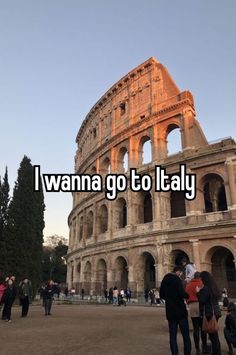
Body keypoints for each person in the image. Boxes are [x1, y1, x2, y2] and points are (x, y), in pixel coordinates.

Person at [160, 266, 191, 355]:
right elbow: (182, 293)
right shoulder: (177, 280)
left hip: (170, 311)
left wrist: (170, 298)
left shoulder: (164, 280)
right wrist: (187, 295)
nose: (181, 275)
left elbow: (162, 295)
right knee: (185, 335)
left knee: (172, 336)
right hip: (180, 310)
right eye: (181, 273)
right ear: (178, 272)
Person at [197, 271, 222, 355]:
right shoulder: (214, 287)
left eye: (201, 278)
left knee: (212, 335)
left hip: (209, 313)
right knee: (215, 334)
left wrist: (198, 292)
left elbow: (202, 300)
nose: (200, 280)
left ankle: (216, 353)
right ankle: (217, 352)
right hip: (216, 311)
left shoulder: (206, 288)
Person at [185, 272, 208, 355]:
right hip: (201, 305)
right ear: (200, 277)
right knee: (203, 328)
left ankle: (197, 349)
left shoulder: (188, 285)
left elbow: (186, 295)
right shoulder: (202, 283)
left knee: (195, 328)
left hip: (192, 305)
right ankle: (204, 348)